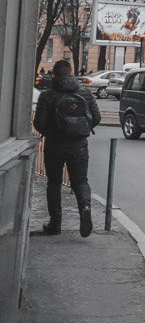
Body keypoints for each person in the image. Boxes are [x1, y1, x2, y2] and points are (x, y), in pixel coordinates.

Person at [32, 59, 100, 237]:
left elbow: (39, 123)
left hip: (54, 145)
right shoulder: (84, 92)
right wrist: (81, 130)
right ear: (71, 73)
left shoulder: (47, 95)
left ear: (54, 75)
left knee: (54, 183)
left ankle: (55, 224)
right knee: (81, 181)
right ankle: (84, 207)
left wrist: (53, 133)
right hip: (79, 146)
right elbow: (97, 117)